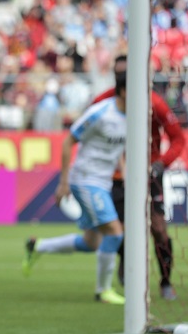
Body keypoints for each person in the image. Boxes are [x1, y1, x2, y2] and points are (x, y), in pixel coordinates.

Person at [22, 55, 128, 305]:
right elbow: (69, 140)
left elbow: (116, 150)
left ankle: (37, 247)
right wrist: (64, 182)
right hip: (86, 179)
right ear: (124, 91)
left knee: (92, 242)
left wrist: (124, 174)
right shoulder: (101, 113)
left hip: (103, 181)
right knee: (115, 232)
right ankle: (103, 291)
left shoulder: (132, 117)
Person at [91, 76, 186, 301]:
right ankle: (125, 260)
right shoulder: (105, 101)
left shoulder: (155, 103)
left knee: (159, 229)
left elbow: (178, 139)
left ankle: (166, 282)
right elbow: (89, 127)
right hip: (117, 176)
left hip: (149, 174)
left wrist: (162, 163)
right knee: (118, 230)